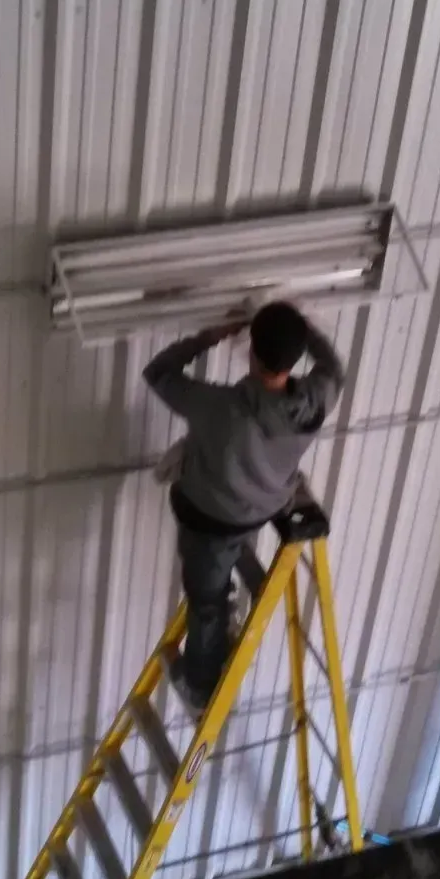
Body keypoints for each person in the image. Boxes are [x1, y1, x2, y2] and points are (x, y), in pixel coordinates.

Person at [142, 300, 346, 711]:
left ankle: (200, 686)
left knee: (206, 600)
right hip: (265, 506)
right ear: (296, 355)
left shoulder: (219, 407)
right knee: (226, 556)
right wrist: (304, 330)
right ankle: (226, 595)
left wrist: (210, 336)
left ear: (251, 350)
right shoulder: (316, 400)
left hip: (210, 520)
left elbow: (158, 373)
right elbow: (334, 368)